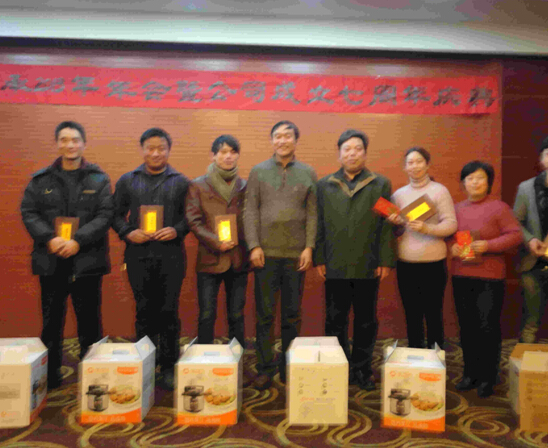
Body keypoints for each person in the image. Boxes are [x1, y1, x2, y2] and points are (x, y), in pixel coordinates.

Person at [21, 121, 112, 390]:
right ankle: (50, 377)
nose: (70, 145)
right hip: (51, 261)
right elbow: (29, 212)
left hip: (87, 261)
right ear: (57, 144)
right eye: (64, 140)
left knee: (90, 323)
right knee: (51, 324)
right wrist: (50, 238)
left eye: (75, 140)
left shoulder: (99, 179)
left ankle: (93, 377)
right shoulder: (41, 180)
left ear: (84, 143)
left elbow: (105, 215)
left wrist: (78, 241)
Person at [314, 129, 396, 391]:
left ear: (365, 153)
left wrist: (385, 260)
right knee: (335, 319)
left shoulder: (380, 184)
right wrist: (319, 257)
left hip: (367, 263)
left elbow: (386, 224)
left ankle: (362, 369)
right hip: (334, 263)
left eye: (358, 149)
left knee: (366, 320)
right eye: (347, 149)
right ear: (339, 154)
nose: (352, 154)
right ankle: (338, 367)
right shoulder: (324, 185)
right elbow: (318, 224)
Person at [112, 127, 190, 390]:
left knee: (169, 311)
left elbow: (191, 217)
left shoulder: (181, 182)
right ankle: (145, 364)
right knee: (144, 311)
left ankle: (168, 365)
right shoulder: (128, 181)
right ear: (143, 150)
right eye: (151, 148)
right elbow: (113, 214)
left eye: (161, 148)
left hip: (171, 256)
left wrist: (177, 230)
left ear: (169, 150)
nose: (156, 153)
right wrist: (127, 232)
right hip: (138, 255)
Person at [244, 120, 317, 390]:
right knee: (264, 314)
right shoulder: (258, 171)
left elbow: (313, 213)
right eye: (277, 136)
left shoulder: (308, 172)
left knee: (291, 314)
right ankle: (265, 367)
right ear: (272, 140)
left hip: (296, 255)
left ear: (296, 140)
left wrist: (309, 247)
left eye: (288, 136)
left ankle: (288, 365)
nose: (282, 140)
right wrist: (253, 245)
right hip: (265, 254)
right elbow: (250, 210)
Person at [450, 161, 522, 398]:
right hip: (461, 275)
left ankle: (488, 377)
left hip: (489, 279)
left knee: (487, 327)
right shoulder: (457, 208)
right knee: (467, 327)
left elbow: (515, 235)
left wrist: (488, 245)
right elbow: (449, 236)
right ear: (463, 183)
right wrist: (452, 248)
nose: (475, 182)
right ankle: (470, 373)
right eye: (470, 178)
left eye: (480, 178)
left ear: (488, 182)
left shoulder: (499, 207)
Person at [387, 147, 457, 349]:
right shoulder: (398, 195)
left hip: (433, 263)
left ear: (427, 165)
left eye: (419, 161)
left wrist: (427, 228)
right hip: (406, 263)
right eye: (410, 162)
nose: (414, 166)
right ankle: (416, 355)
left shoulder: (439, 190)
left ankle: (436, 356)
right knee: (412, 314)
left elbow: (451, 224)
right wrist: (394, 224)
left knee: (433, 313)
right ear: (404, 167)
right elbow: (396, 232)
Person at [186, 135, 248, 346]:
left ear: (237, 156)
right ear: (213, 155)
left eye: (232, 152)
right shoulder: (198, 185)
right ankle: (205, 357)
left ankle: (238, 357)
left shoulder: (244, 185)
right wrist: (215, 241)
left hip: (238, 258)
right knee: (206, 314)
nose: (228, 156)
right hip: (209, 258)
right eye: (223, 152)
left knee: (237, 314)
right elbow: (193, 221)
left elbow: (250, 219)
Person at [513, 136, 548, 343]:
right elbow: (515, 222)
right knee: (531, 313)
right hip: (533, 259)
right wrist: (530, 239)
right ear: (541, 159)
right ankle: (527, 347)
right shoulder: (526, 188)